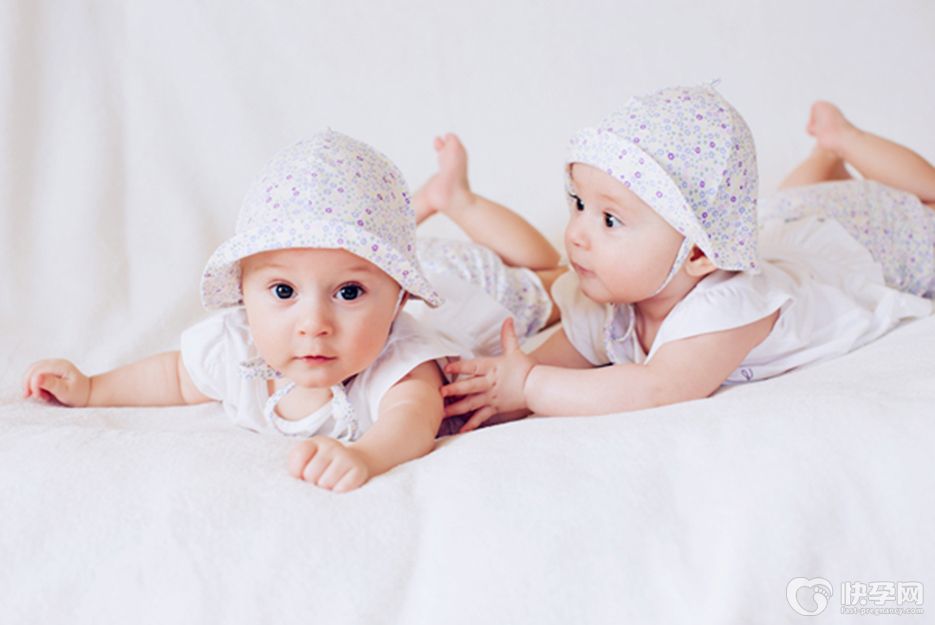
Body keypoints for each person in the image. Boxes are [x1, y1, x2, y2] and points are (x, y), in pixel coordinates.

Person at [21, 130, 563, 492]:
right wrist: (91, 388)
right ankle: (414, 212)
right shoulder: (239, 344)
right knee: (343, 257)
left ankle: (455, 200)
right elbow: (176, 376)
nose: (313, 324)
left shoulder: (402, 359)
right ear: (244, 290)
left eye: (348, 295)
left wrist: (367, 457)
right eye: (282, 291)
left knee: (548, 278)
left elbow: (413, 420)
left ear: (400, 300)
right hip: (387, 262)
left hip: (467, 280)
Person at [439, 85, 935, 431]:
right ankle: (824, 161)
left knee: (927, 202)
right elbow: (536, 369)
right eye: (579, 204)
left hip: (868, 242)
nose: (575, 234)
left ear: (697, 252)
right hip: (785, 227)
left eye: (609, 219)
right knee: (785, 208)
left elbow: (658, 388)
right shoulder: (607, 294)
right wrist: (486, 395)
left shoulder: (726, 308)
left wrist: (530, 386)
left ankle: (842, 139)